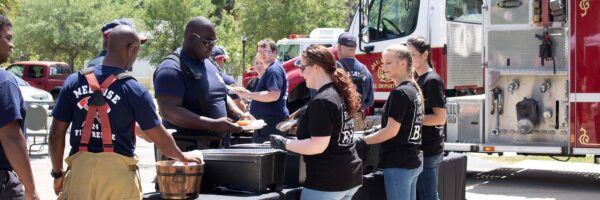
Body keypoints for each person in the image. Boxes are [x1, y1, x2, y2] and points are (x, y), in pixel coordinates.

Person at [49, 25, 201, 200]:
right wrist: (182, 156)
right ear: (131, 49)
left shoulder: (73, 82)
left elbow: (56, 134)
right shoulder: (134, 89)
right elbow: (160, 138)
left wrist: (57, 173)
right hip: (118, 179)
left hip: (79, 176)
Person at [270, 45, 362, 200]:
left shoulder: (323, 100)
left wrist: (284, 143)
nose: (301, 72)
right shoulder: (337, 93)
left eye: (303, 67)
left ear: (317, 68)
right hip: (348, 175)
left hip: (328, 180)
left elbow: (317, 146)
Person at [153, 16, 249, 153]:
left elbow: (220, 94)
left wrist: (239, 115)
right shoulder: (171, 68)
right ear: (191, 37)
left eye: (214, 43)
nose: (212, 47)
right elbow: (168, 111)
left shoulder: (209, 63)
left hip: (218, 147)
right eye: (207, 43)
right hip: (187, 151)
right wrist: (213, 125)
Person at [355, 44, 424, 200]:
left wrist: (362, 140)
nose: (383, 67)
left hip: (399, 163)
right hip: (411, 161)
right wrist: (378, 128)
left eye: (388, 62)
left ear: (403, 63)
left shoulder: (401, 92)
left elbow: (391, 131)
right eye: (383, 62)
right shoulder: (413, 89)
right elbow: (404, 123)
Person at [0, 15, 40, 200]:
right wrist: (30, 189)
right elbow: (11, 137)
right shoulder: (4, 81)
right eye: (7, 38)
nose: (12, 45)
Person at [407, 36, 447, 200]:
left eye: (412, 54)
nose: (409, 59)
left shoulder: (431, 80)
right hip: (421, 147)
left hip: (429, 148)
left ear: (425, 55)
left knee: (428, 196)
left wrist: (410, 119)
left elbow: (440, 118)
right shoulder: (416, 78)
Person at [235, 39, 289, 143]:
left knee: (268, 156)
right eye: (260, 52)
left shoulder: (273, 70)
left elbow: (274, 95)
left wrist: (249, 94)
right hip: (268, 122)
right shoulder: (273, 69)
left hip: (271, 122)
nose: (262, 54)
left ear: (274, 52)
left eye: (266, 51)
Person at [336, 32, 375, 131]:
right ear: (355, 48)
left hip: (337, 119)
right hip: (358, 120)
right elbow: (370, 101)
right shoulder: (365, 71)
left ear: (339, 47)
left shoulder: (334, 69)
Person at [210, 46, 246, 111]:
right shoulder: (228, 81)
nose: (224, 62)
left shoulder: (198, 77)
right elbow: (239, 106)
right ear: (221, 60)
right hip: (224, 118)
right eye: (224, 60)